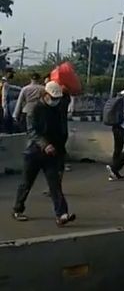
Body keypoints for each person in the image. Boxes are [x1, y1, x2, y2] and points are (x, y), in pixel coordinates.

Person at [12, 81, 75, 225]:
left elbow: (60, 130)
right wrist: (45, 145)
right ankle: (18, 209)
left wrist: (58, 149)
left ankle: (62, 214)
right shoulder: (34, 108)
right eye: (53, 98)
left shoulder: (57, 109)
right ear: (45, 95)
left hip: (52, 153)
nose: (55, 101)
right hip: (34, 152)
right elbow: (32, 131)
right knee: (26, 183)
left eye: (57, 99)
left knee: (55, 185)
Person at [1, 69, 16, 133]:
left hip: (4, 101)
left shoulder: (4, 81)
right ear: (7, 73)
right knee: (5, 116)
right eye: (11, 73)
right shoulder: (4, 82)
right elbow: (4, 95)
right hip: (3, 102)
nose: (12, 75)